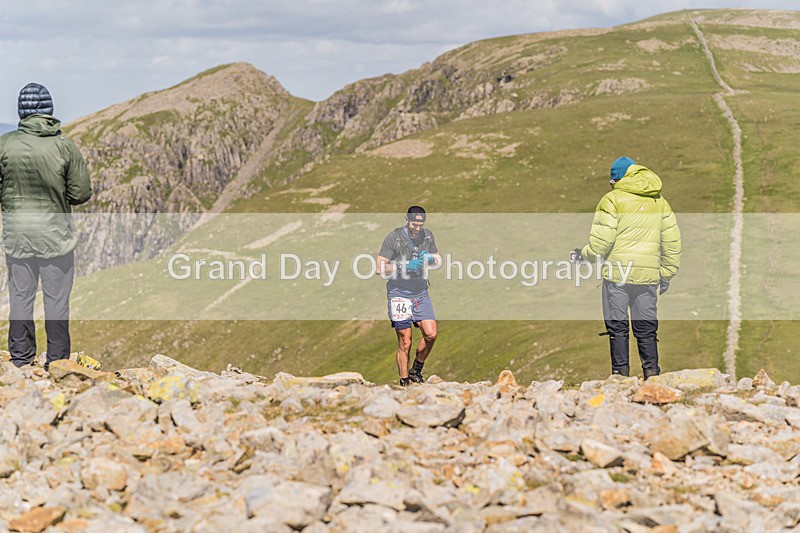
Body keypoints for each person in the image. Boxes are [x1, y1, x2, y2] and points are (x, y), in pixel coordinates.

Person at [0, 83, 92, 371]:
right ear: (49, 111)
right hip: (56, 237)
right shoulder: (65, 146)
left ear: (22, 112)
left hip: (18, 236)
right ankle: (58, 362)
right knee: (56, 300)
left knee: (20, 296)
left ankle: (21, 360)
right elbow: (80, 193)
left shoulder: (4, 144)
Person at [571, 156, 680, 379]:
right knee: (647, 330)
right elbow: (671, 241)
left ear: (617, 179)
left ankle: (620, 378)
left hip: (617, 276)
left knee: (618, 329)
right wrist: (666, 274)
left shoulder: (612, 200)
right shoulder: (659, 201)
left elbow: (601, 243)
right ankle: (653, 376)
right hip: (648, 276)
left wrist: (583, 255)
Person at [376, 206, 442, 386]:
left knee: (431, 334)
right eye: (414, 224)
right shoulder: (394, 238)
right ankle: (405, 383)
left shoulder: (427, 236)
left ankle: (416, 370)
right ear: (406, 219)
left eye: (421, 224)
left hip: (420, 291)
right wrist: (404, 265)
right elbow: (379, 268)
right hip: (399, 293)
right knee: (406, 341)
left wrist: (430, 259)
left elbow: (438, 259)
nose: (418, 228)